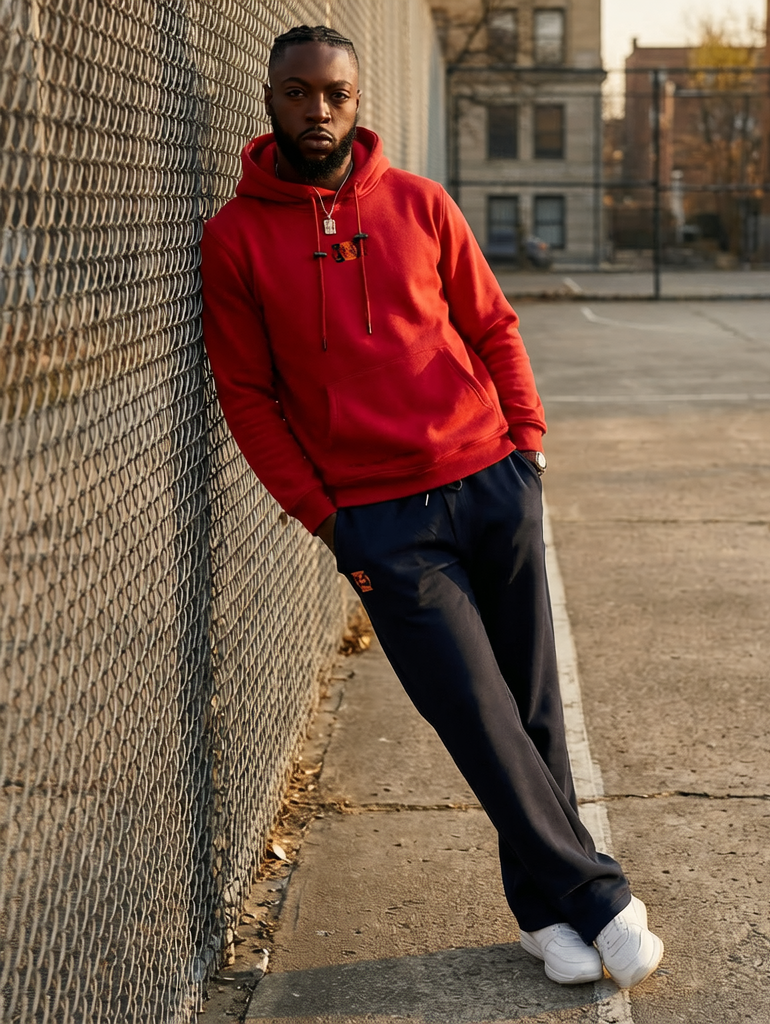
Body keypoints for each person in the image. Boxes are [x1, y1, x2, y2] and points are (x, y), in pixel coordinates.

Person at [200, 25, 664, 991]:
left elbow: (491, 322)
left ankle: (544, 914)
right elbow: (247, 394)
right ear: (271, 99)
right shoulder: (236, 238)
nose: (317, 112)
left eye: (334, 93)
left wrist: (525, 445)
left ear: (357, 97)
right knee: (474, 713)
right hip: (381, 521)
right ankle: (599, 894)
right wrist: (326, 517)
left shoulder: (417, 204)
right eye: (297, 93)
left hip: (490, 480)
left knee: (530, 708)